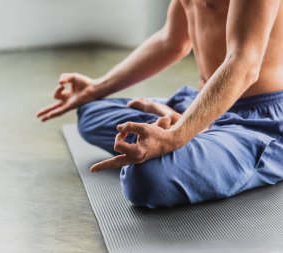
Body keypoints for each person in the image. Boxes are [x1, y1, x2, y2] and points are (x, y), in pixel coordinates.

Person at [37, 0, 283, 208]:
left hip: (256, 122)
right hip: (198, 102)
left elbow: (244, 62)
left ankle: (186, 132)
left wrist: (176, 136)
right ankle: (188, 128)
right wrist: (97, 87)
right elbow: (171, 41)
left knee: (142, 179)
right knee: (91, 113)